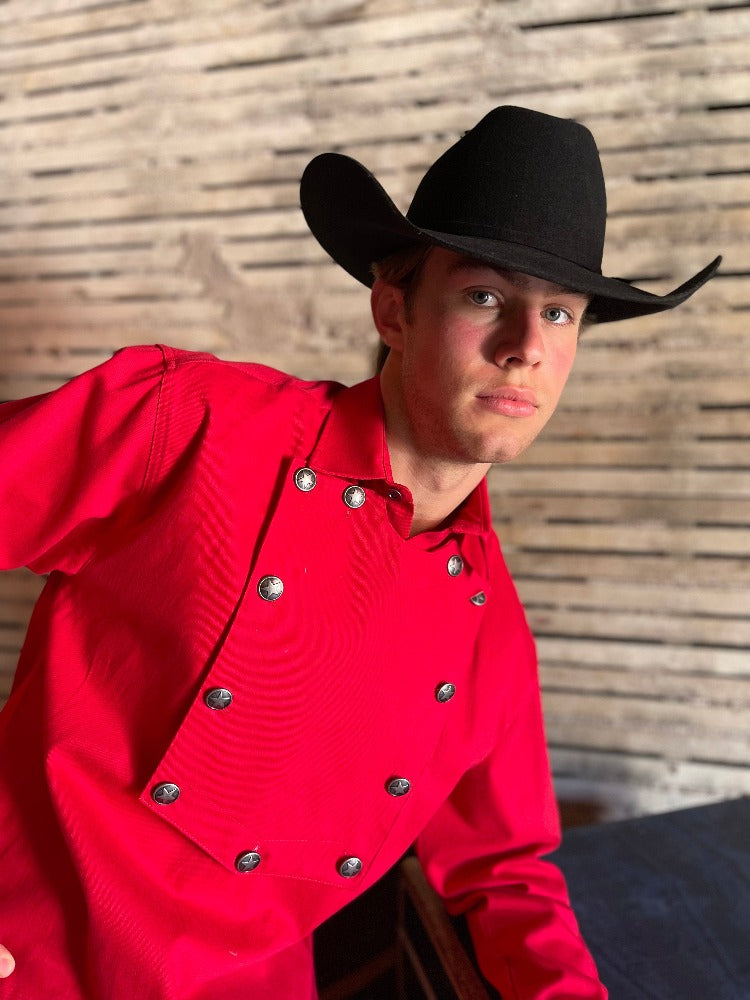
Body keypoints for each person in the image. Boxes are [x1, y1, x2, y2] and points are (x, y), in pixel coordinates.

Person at [0, 106, 719, 999]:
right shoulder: (186, 424)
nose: (526, 348)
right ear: (394, 308)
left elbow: (504, 876)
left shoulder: (490, 631)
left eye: (562, 314)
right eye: (486, 296)